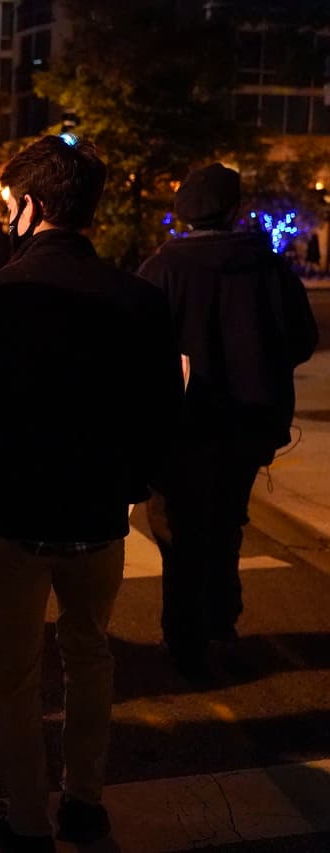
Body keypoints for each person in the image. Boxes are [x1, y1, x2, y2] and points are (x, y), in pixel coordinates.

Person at [0, 137, 183, 851]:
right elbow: (163, 408)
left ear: (31, 205)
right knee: (90, 654)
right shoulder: (137, 299)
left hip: (10, 516)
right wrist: (131, 483)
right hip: (97, 515)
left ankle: (28, 819)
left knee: (14, 674)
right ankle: (84, 800)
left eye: (10, 203)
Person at [139, 163, 318, 678]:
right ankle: (220, 617)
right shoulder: (269, 268)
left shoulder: (162, 269)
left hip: (179, 426)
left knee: (177, 529)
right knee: (226, 519)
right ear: (235, 210)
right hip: (247, 423)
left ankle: (184, 636)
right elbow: (301, 339)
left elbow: (138, 344)